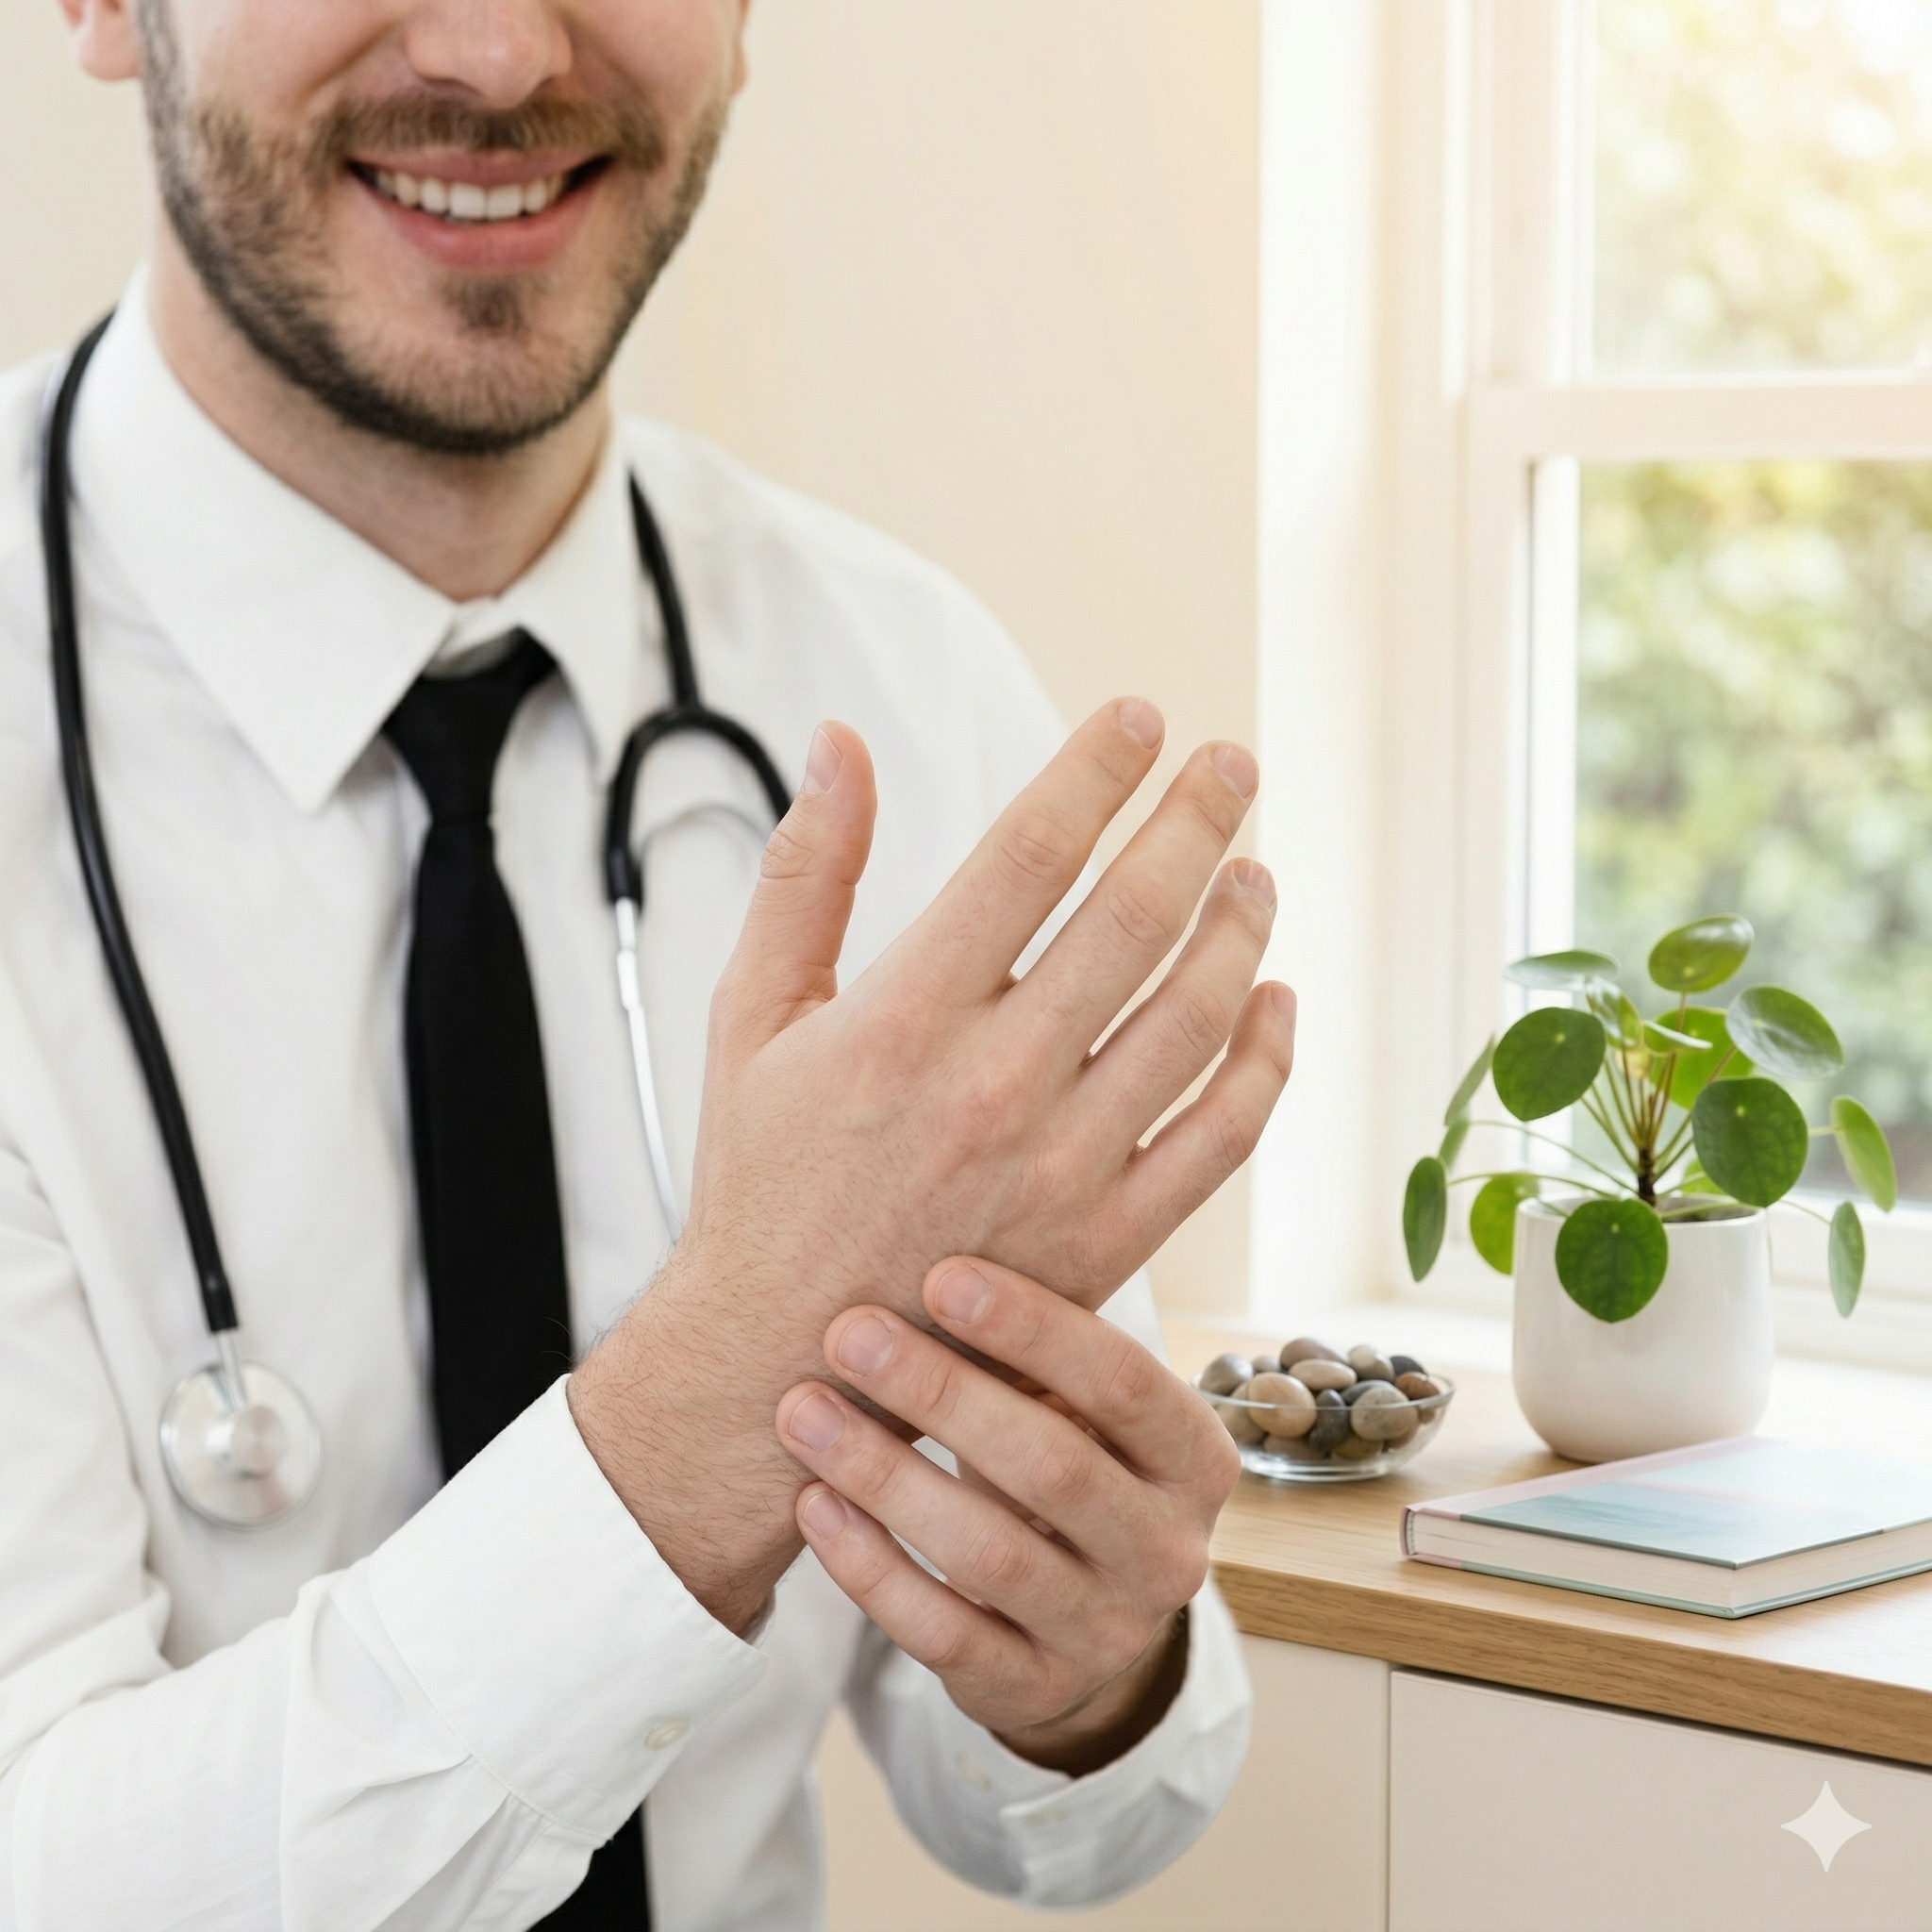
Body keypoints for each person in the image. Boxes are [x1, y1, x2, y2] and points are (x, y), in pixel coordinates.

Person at [0, 2, 1297, 1926]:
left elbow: (1065, 1803)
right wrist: (712, 1405)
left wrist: (1091, 1677)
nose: (501, 54)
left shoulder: (895, 680)